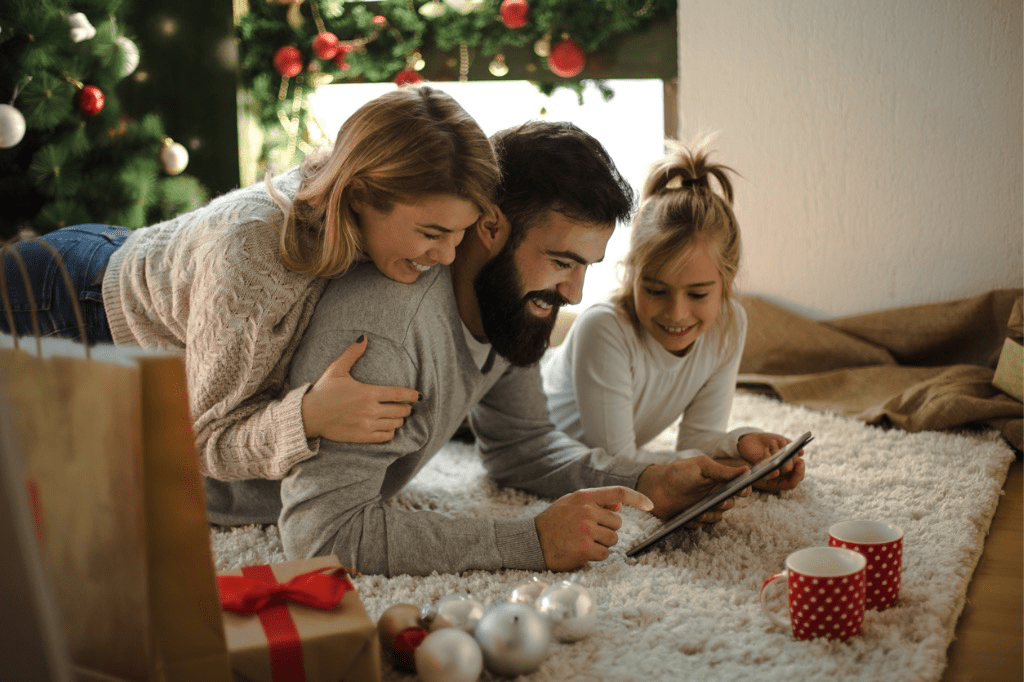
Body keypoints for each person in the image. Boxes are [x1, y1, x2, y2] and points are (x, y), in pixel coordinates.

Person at [205, 122, 757, 577]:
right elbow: (321, 534)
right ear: (492, 227)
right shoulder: (385, 336)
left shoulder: (506, 305)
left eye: (586, 267)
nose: (574, 296)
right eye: (562, 262)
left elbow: (523, 445)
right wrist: (528, 540)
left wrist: (644, 480)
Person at [0, 85, 500, 480]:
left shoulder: (355, 212)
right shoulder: (255, 265)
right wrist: (307, 417)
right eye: (432, 233)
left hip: (126, 255)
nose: (448, 256)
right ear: (361, 194)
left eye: (461, 234)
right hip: (59, 305)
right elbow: (202, 437)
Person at [541, 142, 806, 487]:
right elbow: (617, 463)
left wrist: (741, 449)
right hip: (518, 406)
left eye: (697, 294)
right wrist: (728, 468)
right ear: (633, 273)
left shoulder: (729, 324)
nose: (677, 313)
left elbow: (697, 441)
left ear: (726, 281)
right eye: (655, 290)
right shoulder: (603, 328)